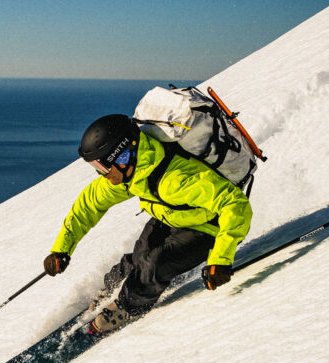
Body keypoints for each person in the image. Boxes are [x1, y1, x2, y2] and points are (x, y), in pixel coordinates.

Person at [43, 114, 252, 335]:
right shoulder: (131, 174)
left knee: (153, 264)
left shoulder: (177, 179)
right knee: (136, 259)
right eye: (96, 167)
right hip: (172, 216)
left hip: (208, 229)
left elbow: (235, 205)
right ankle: (110, 294)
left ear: (123, 156)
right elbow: (89, 205)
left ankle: (125, 308)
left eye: (103, 166)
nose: (101, 174)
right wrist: (61, 248)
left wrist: (221, 259)